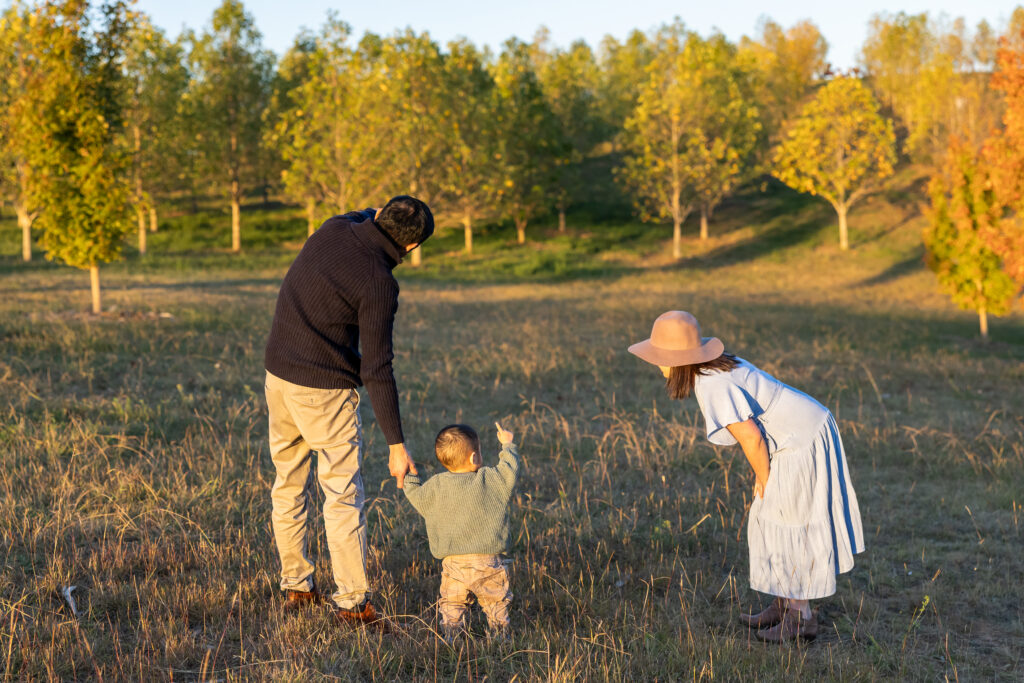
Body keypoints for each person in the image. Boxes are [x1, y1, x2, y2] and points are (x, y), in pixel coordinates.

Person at [628, 311, 864, 642]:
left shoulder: (712, 384)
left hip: (803, 440)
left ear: (677, 360)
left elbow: (751, 437)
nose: (657, 365)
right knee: (770, 517)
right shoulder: (715, 367)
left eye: (660, 358)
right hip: (797, 434)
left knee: (787, 518)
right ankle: (785, 604)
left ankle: (800, 618)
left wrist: (764, 478)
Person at [263, 195, 433, 626]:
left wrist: (377, 213)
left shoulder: (332, 229)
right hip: (323, 393)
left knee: (288, 484)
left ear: (378, 215)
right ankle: (353, 603)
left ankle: (297, 586)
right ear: (411, 249)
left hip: (278, 377)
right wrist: (396, 444)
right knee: (341, 496)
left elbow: (357, 216)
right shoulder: (379, 282)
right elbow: (377, 366)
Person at [402, 422, 521, 640]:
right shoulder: (490, 479)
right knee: (496, 604)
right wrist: (508, 445)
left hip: (453, 564)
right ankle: (500, 637)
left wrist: (410, 477)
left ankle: (451, 637)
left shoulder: (436, 485)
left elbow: (416, 496)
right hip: (488, 562)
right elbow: (509, 471)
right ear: (474, 457)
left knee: (452, 605)